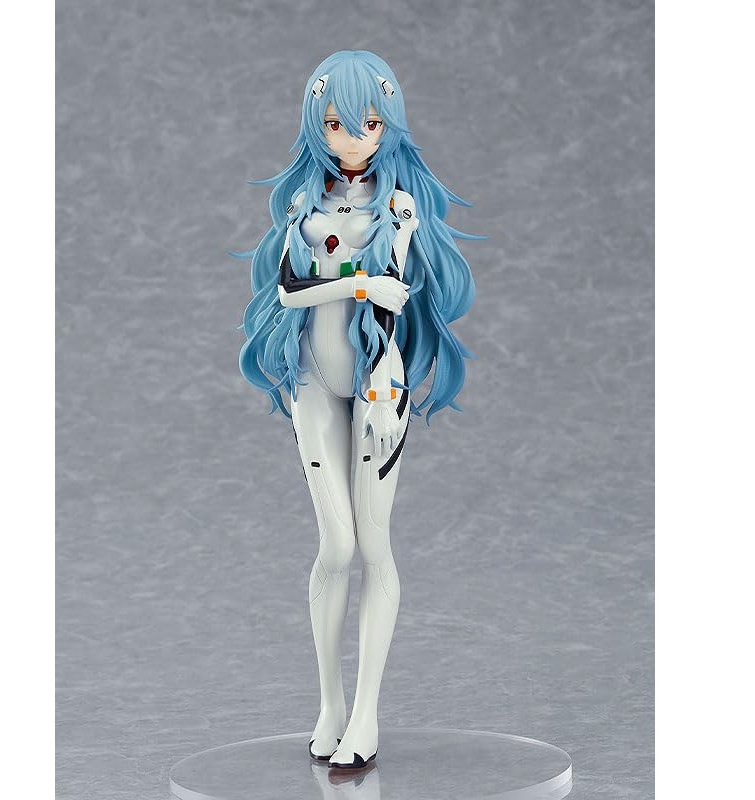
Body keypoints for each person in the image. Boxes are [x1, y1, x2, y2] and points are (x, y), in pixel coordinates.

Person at [238, 50, 478, 769]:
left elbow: (400, 292)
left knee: (374, 546)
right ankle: (329, 703)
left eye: (370, 124)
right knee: (335, 546)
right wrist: (358, 286)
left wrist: (391, 254)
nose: (353, 139)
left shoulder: (399, 205)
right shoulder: (301, 207)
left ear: (388, 124)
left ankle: (367, 711)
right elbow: (288, 293)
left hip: (379, 381)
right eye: (337, 124)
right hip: (313, 377)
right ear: (316, 123)